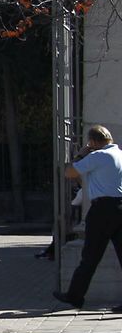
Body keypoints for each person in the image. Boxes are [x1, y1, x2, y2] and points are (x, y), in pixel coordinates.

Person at [54, 126, 122, 311]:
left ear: (92, 142)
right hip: (120, 207)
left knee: (90, 255)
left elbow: (69, 173)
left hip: (102, 210)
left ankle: (74, 296)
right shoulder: (120, 154)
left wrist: (80, 155)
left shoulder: (97, 156)